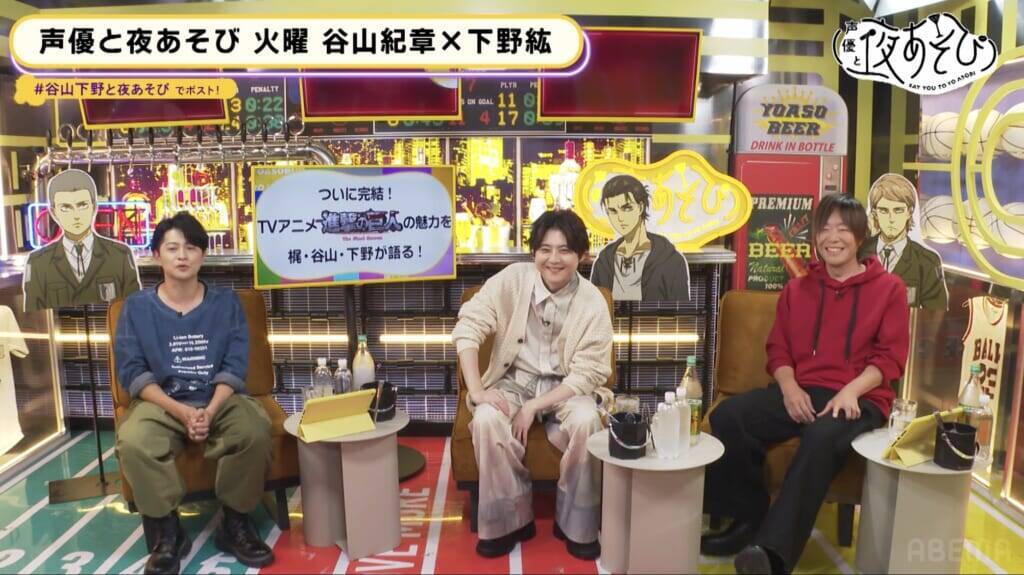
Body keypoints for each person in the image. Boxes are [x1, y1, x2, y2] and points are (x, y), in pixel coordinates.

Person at [701, 194, 910, 574]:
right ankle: (747, 518)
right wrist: (789, 388)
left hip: (859, 397)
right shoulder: (798, 290)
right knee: (729, 416)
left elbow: (890, 358)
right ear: (815, 237)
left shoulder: (889, 289)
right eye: (824, 229)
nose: (833, 238)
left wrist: (851, 390)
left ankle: (772, 554)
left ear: (860, 235)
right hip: (802, 390)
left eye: (842, 229)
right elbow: (777, 349)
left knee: (820, 436)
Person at [114, 212, 274, 575]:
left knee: (254, 430)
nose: (182, 256)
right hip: (161, 402)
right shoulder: (136, 308)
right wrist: (182, 412)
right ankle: (167, 531)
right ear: (157, 255)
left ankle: (235, 522)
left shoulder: (226, 303)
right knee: (135, 441)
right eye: (172, 248)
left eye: (191, 247)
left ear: (203, 254)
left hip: (220, 398)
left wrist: (210, 410)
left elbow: (234, 365)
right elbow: (133, 372)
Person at [453, 210, 613, 560]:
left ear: (582, 255)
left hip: (567, 388)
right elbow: (468, 326)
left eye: (565, 250)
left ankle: (576, 525)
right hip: (515, 382)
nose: (554, 259)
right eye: (545, 249)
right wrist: (477, 391)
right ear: (533, 253)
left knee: (587, 420)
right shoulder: (512, 280)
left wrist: (533, 407)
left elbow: (587, 374)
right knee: (486, 418)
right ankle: (509, 522)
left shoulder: (592, 302)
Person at [23, 168, 141, 311]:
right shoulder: (38, 262)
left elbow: (136, 311)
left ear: (94, 206)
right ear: (54, 212)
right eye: (66, 208)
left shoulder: (120, 255)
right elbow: (34, 318)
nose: (76, 216)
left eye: (82, 205)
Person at [590, 174, 690, 302]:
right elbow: (595, 308)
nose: (620, 218)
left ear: (640, 207)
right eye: (613, 211)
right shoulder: (604, 261)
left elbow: (681, 310)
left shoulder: (671, 260)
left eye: (627, 208)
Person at [861, 173, 947, 310]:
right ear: (875, 214)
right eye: (884, 211)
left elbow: (935, 315)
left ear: (909, 212)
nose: (891, 219)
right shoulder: (858, 254)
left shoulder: (927, 261)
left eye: (898, 210)